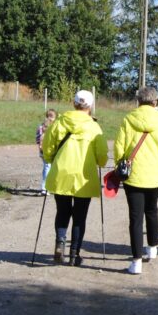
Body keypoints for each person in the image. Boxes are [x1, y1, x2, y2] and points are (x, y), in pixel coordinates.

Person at [42, 90, 108, 266]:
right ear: (90, 106)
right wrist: (101, 162)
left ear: (74, 103)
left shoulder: (59, 122)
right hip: (84, 177)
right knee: (80, 216)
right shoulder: (94, 127)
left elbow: (47, 144)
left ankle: (60, 243)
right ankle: (74, 254)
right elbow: (102, 154)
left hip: (61, 173)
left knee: (62, 212)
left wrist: (49, 159)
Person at [114, 85, 158, 275]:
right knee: (152, 210)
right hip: (155, 175)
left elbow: (119, 148)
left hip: (134, 176)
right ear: (155, 102)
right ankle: (153, 247)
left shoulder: (128, 119)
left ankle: (136, 261)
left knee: (135, 217)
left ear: (138, 101)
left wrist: (121, 164)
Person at [36, 108, 57, 193]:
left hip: (54, 150)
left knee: (50, 168)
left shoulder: (56, 127)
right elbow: (38, 138)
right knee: (47, 167)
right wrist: (41, 146)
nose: (50, 118)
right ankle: (44, 187)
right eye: (49, 116)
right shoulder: (42, 127)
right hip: (45, 150)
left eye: (52, 116)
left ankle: (50, 187)